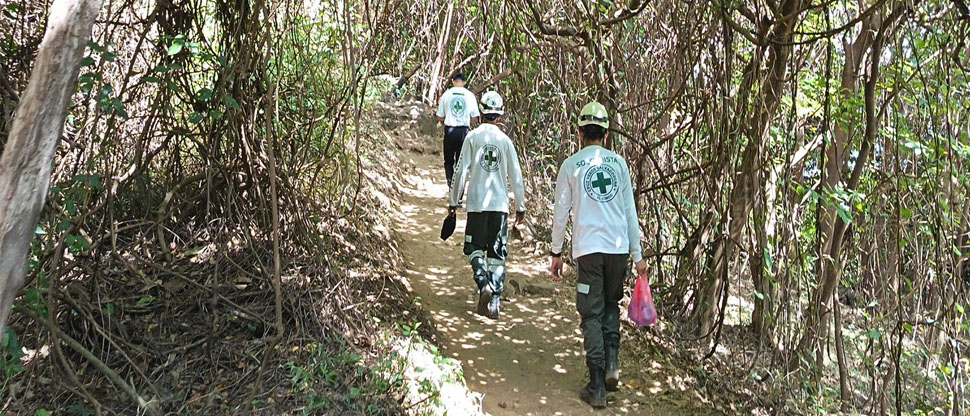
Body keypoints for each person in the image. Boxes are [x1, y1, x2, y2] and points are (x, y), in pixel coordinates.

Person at [548, 102, 647, 408]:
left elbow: (561, 213)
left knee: (590, 313)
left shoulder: (571, 165)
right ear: (606, 134)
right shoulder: (618, 164)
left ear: (579, 133)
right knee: (608, 306)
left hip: (589, 250)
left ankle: (597, 386)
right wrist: (637, 253)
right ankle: (612, 364)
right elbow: (630, 211)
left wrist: (556, 252)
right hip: (618, 249)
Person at [448, 91, 525, 319]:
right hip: (500, 206)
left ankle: (483, 284)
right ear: (499, 115)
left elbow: (460, 171)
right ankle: (495, 302)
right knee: (497, 253)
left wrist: (454, 202)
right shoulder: (506, 141)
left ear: (481, 112)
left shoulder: (472, 137)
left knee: (474, 248)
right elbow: (516, 175)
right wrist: (520, 206)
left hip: (477, 204)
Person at [436, 73, 480, 187]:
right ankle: (459, 193)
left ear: (453, 82)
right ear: (464, 82)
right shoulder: (470, 96)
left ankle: (451, 184)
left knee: (449, 161)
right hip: (463, 132)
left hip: (449, 131)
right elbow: (475, 118)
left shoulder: (446, 94)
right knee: (462, 163)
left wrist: (450, 118)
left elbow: (440, 116)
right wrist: (464, 119)